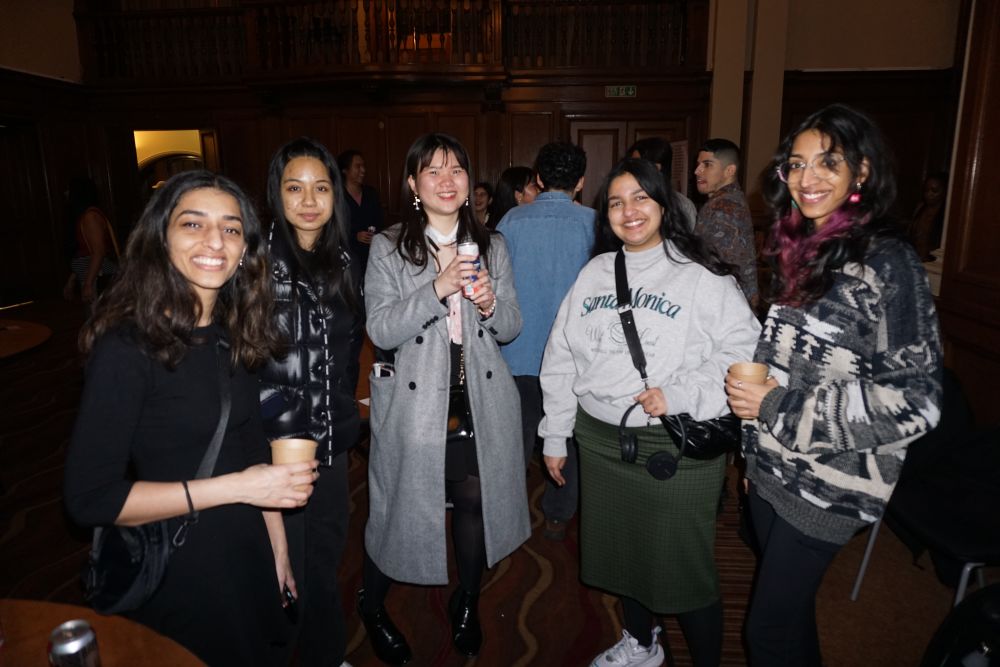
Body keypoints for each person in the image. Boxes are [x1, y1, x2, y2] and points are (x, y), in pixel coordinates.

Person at [64, 170, 317, 667]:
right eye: (193, 224)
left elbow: (248, 446)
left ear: (245, 248)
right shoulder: (128, 346)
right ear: (162, 238)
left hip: (244, 546)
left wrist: (279, 547)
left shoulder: (230, 329)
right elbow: (89, 499)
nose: (214, 242)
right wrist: (240, 488)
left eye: (230, 228)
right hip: (181, 562)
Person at [725, 104, 943, 667]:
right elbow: (782, 363)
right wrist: (755, 458)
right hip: (775, 472)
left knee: (767, 631)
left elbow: (916, 403)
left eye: (828, 162)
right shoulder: (804, 249)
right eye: (795, 165)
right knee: (790, 621)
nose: (807, 178)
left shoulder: (889, 262)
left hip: (831, 483)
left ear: (861, 172)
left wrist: (775, 407)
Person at [540, 158, 761, 667]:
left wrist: (680, 393)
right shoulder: (596, 272)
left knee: (683, 570)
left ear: (664, 205)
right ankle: (641, 644)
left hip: (671, 446)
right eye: (616, 202)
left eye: (640, 197)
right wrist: (555, 435)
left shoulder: (698, 274)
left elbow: (745, 351)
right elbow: (560, 357)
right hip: (599, 442)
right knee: (623, 558)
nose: (629, 210)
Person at [359, 133, 530, 664]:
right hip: (415, 403)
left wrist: (488, 301)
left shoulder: (494, 244)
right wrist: (436, 287)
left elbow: (511, 329)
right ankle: (371, 604)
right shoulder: (389, 247)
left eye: (456, 169)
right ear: (413, 184)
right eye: (432, 171)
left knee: (475, 500)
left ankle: (467, 602)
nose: (447, 179)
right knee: (400, 507)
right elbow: (381, 327)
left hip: (479, 395)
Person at [259, 137, 363, 667]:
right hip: (271, 449)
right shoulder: (251, 264)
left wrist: (344, 414)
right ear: (277, 194)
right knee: (277, 568)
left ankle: (325, 655)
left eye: (321, 187)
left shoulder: (344, 260)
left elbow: (348, 351)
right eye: (294, 187)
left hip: (329, 444)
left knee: (323, 562)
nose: (308, 200)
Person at [496, 141, 594, 542]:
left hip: (518, 347)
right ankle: (558, 511)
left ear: (537, 178)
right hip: (577, 353)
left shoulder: (511, 222)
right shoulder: (597, 222)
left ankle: (508, 514)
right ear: (582, 182)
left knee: (514, 439)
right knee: (567, 434)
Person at [693, 138, 759, 307]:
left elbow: (720, 267)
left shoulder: (724, 206)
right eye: (699, 164)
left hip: (726, 303)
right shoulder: (726, 200)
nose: (697, 171)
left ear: (729, 170)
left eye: (707, 165)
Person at [63, 176, 120, 305]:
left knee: (99, 320)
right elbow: (84, 253)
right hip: (92, 278)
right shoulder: (85, 216)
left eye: (68, 189)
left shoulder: (90, 217)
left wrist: (88, 283)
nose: (65, 193)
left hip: (97, 280)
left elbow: (98, 252)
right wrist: (72, 279)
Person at [627, 137, 697, 230]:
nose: (632, 170)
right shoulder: (626, 199)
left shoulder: (682, 205)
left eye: (638, 165)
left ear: (657, 168)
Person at [337, 149, 384, 268]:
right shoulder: (337, 197)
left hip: (372, 256)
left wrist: (377, 235)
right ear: (345, 170)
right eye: (358, 166)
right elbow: (333, 230)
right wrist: (354, 236)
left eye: (363, 166)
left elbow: (380, 221)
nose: (363, 170)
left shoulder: (371, 193)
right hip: (347, 258)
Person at [908, 171, 948, 261]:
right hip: (916, 258)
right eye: (926, 190)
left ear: (945, 191)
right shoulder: (920, 208)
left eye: (934, 191)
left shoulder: (946, 214)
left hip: (933, 261)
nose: (929, 194)